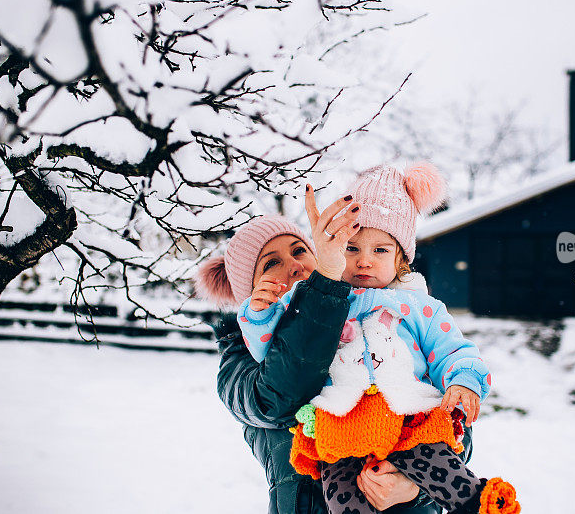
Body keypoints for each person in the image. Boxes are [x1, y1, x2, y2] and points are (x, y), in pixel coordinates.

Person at [237, 164, 521, 514]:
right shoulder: (320, 303)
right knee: (343, 497)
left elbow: (453, 351)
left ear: (401, 257)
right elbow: (272, 349)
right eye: (352, 248)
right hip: (341, 424)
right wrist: (259, 315)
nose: (364, 262)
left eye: (381, 251)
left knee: (441, 467)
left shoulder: (421, 307)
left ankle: (479, 503)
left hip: (408, 416)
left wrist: (463, 381)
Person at [195, 207, 472, 514]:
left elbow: (453, 421)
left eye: (300, 250)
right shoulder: (240, 362)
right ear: (250, 292)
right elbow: (282, 393)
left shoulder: (380, 314)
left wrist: (416, 486)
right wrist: (320, 292)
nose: (295, 265)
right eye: (271, 263)